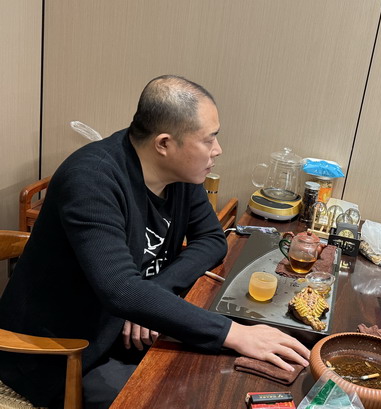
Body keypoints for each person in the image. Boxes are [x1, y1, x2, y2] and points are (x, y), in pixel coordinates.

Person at [0, 75, 310, 409]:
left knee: (238, 373)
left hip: (129, 328)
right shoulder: (91, 180)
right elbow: (120, 289)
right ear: (164, 143)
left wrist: (152, 294)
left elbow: (212, 239)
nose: (217, 150)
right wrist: (233, 333)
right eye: (209, 139)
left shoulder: (179, 172)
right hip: (66, 351)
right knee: (183, 396)